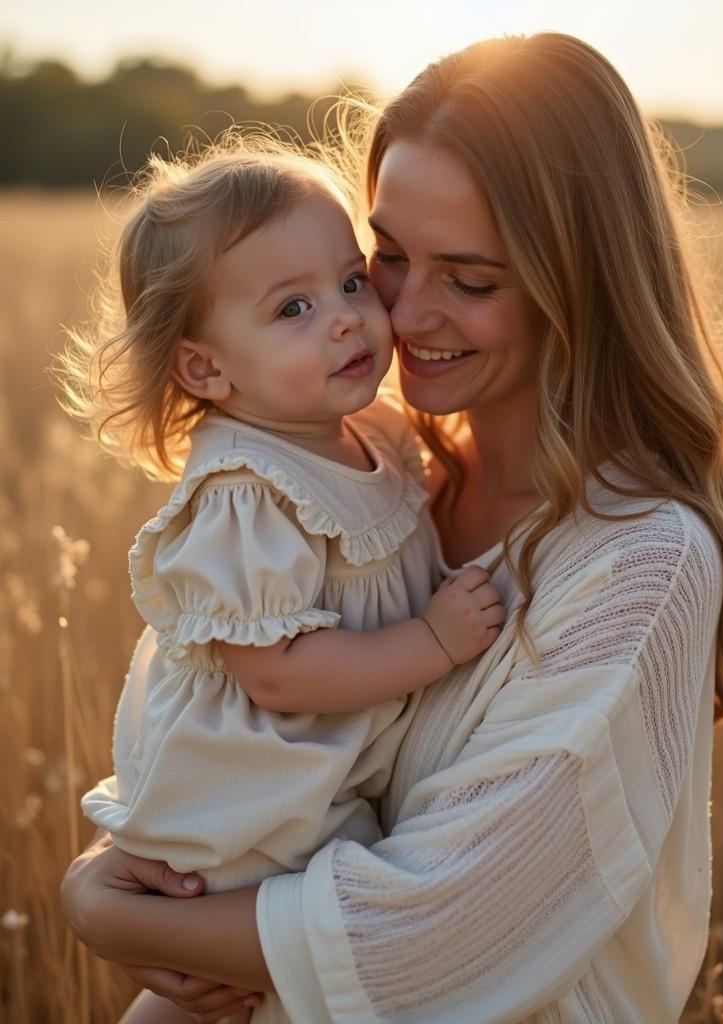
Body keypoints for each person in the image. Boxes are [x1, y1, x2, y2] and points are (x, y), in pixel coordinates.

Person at [61, 32, 723, 1024]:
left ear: (585, 283)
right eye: (387, 257)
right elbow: (239, 728)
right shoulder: (383, 486)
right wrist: (103, 871)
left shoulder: (640, 564)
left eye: (470, 280)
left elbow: (424, 937)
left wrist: (119, 918)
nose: (399, 312)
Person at [58, 141, 506, 1023]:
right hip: (253, 806)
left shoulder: (369, 429)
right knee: (219, 999)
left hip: (320, 797)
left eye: (348, 281)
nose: (347, 319)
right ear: (206, 370)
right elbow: (280, 671)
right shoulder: (245, 493)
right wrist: (431, 643)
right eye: (293, 307)